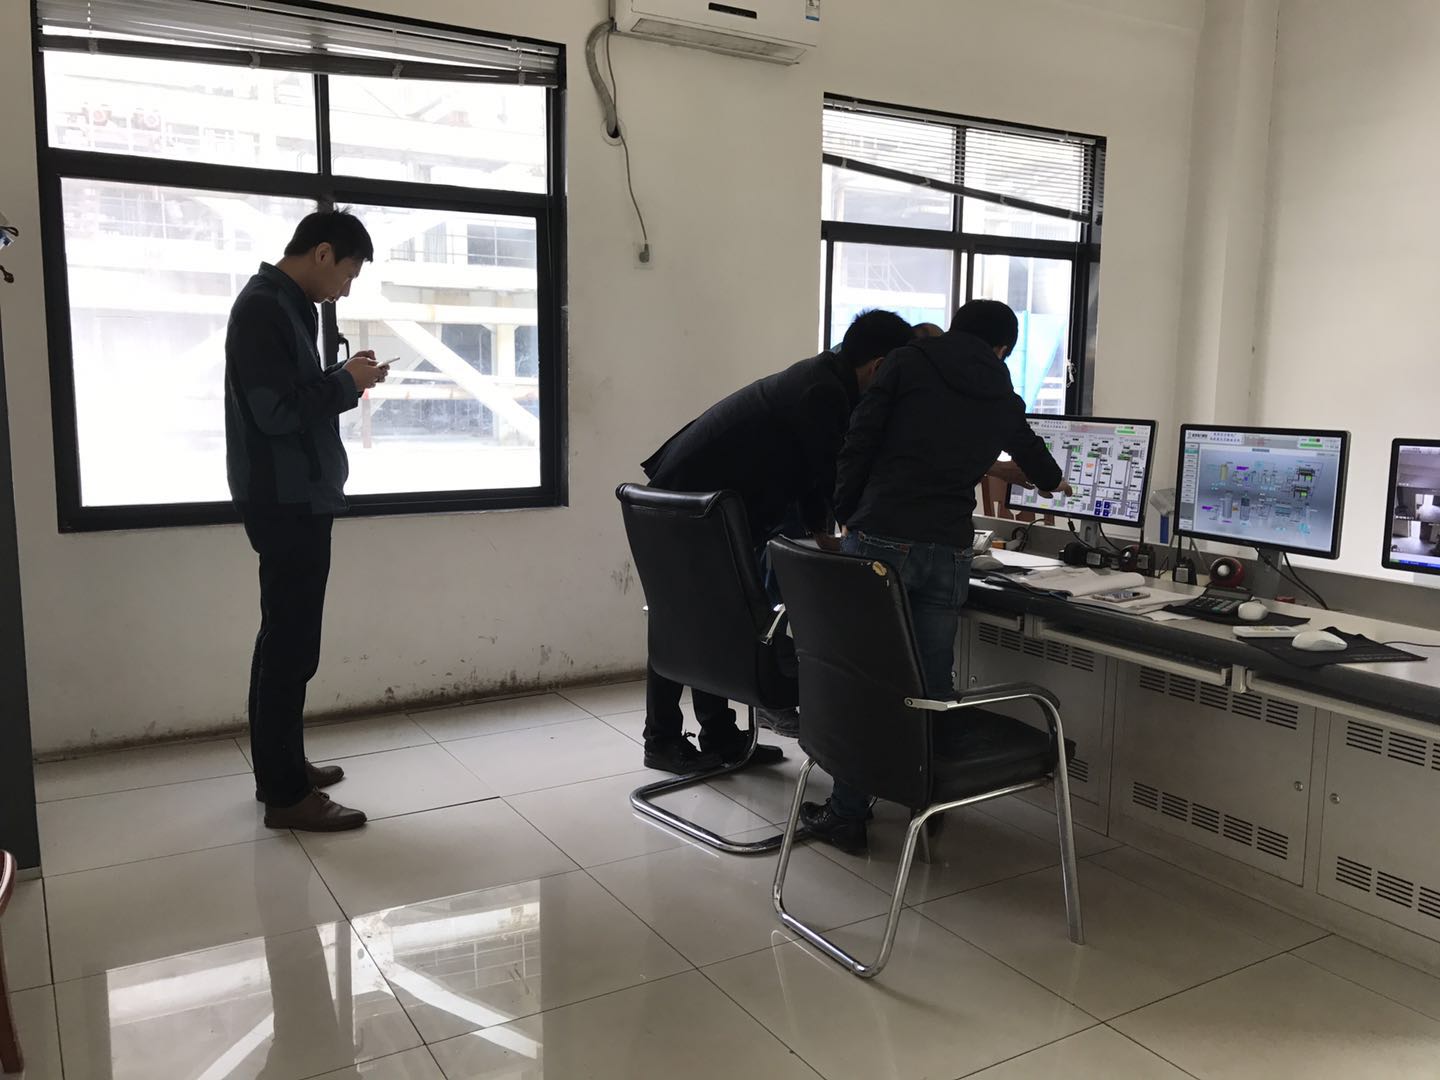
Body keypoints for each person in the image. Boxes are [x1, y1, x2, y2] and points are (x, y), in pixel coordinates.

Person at [800, 299, 1069, 854]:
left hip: (881, 539)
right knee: (931, 684)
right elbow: (1035, 459)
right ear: (1002, 348)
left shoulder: (907, 362)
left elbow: (860, 438)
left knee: (867, 677)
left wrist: (849, 511)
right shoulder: (999, 386)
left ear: (954, 328)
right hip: (948, 549)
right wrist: (1054, 480)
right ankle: (926, 803)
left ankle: (847, 813)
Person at [639, 310, 915, 774]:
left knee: (713, 622)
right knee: (685, 622)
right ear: (880, 365)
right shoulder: (824, 391)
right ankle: (661, 740)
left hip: (701, 502)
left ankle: (720, 735)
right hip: (692, 505)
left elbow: (806, 472)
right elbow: (832, 473)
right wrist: (857, 529)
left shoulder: (826, 379)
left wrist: (822, 531)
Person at [226, 209, 389, 832]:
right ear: (322, 253)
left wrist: (343, 379)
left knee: (285, 640)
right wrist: (344, 384)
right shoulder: (263, 308)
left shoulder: (286, 306)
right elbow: (274, 413)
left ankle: (282, 768)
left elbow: (290, 394)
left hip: (297, 495)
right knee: (290, 646)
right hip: (286, 498)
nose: (344, 289)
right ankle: (286, 795)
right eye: (347, 274)